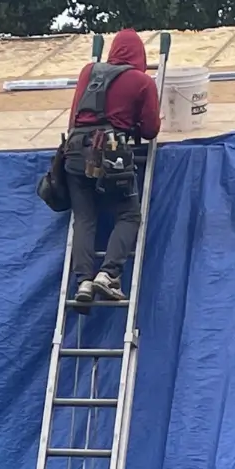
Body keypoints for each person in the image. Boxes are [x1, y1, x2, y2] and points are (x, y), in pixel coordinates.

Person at [64, 29, 161, 305]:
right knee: (128, 215)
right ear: (139, 56)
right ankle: (107, 275)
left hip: (75, 149)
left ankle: (83, 281)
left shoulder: (88, 72)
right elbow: (151, 129)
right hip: (110, 152)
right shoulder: (141, 81)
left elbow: (74, 118)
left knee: (84, 218)